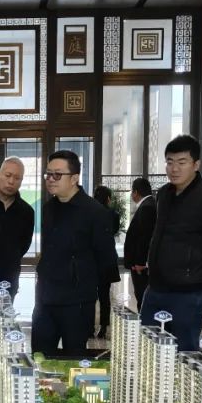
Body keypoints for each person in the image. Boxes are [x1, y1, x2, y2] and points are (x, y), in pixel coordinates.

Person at [142, 136, 202, 352]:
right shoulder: (164, 195)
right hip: (156, 288)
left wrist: (198, 276)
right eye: (170, 162)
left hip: (188, 294)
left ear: (196, 164)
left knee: (184, 351)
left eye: (182, 162)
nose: (174, 168)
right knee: (148, 348)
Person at [33, 150, 117, 356]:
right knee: (40, 356)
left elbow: (106, 259)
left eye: (57, 174)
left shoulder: (95, 212)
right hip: (45, 299)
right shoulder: (49, 207)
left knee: (74, 359)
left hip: (77, 303)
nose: (50, 179)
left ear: (74, 178)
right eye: (48, 174)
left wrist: (84, 282)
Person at [0, 156, 35, 356]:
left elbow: (23, 245)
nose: (11, 181)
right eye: (8, 175)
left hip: (7, 278)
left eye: (17, 178)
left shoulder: (26, 211)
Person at [91, 185, 122, 339]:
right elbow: (114, 231)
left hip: (91, 259)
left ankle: (89, 327)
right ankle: (104, 327)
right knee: (104, 295)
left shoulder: (88, 212)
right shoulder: (113, 214)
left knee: (90, 295)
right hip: (107, 259)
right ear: (108, 199)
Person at [122, 178, 156, 311]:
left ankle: (144, 321)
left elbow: (145, 237)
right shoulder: (148, 204)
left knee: (142, 296)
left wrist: (140, 262)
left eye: (132, 191)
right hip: (140, 264)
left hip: (140, 266)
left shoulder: (147, 207)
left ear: (135, 192)